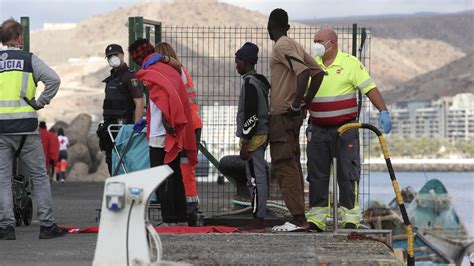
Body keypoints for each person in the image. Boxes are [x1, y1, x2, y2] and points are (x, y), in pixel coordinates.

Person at [305, 28, 392, 232]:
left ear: (332, 43)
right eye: (314, 40)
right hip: (317, 129)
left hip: (345, 130)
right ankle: (317, 218)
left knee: (347, 173)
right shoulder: (311, 64)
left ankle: (350, 218)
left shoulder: (350, 64)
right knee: (317, 174)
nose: (315, 44)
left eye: (319, 40)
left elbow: (369, 88)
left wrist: (383, 110)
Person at [0, 18, 67, 240]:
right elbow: (53, 80)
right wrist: (39, 102)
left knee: (3, 179)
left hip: (1, 130)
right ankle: (47, 226)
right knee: (39, 176)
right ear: (19, 38)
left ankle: (6, 227)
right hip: (27, 129)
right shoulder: (29, 60)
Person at [266, 9, 325, 232]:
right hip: (293, 116)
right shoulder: (295, 45)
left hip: (283, 115)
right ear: (288, 27)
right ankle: (299, 215)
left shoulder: (281, 46)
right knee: (292, 162)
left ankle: (298, 218)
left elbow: (303, 73)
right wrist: (305, 103)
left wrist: (295, 103)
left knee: (284, 165)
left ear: (270, 26)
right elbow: (317, 73)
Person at [129, 38, 197, 225]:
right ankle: (181, 217)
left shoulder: (153, 72)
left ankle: (170, 219)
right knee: (175, 174)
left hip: (161, 133)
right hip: (174, 131)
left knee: (161, 176)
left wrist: (164, 121)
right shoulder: (171, 70)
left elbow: (163, 100)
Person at [155, 42, 203, 226]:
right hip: (190, 124)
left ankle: (189, 210)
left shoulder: (173, 72)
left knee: (183, 169)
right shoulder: (179, 72)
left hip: (185, 126)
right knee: (185, 168)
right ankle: (189, 209)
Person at [234, 42, 271, 233]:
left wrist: (246, 142)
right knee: (258, 178)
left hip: (254, 139)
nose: (236, 65)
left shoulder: (250, 84)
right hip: (261, 135)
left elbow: (251, 115)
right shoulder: (259, 82)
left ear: (246, 62)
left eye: (238, 61)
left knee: (256, 179)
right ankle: (258, 217)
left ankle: (258, 220)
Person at [97, 43, 145, 175]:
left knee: (127, 164)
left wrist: (135, 129)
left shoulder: (130, 76)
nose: (113, 58)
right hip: (110, 129)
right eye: (109, 57)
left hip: (125, 129)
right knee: (112, 163)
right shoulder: (111, 79)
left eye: (115, 55)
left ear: (122, 55)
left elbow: (139, 102)